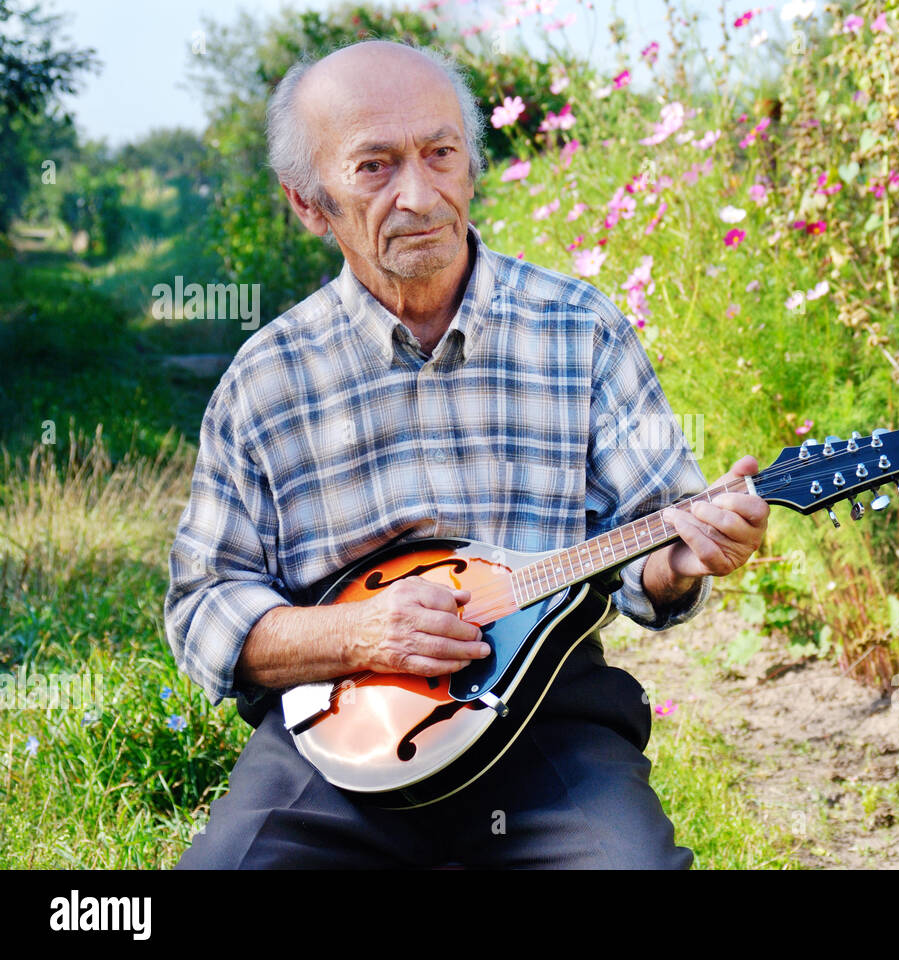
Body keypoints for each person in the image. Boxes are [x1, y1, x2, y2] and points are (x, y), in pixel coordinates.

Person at [164, 39, 769, 869]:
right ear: (309, 204)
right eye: (374, 168)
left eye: (441, 153)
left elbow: (653, 548)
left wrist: (690, 557)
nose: (420, 195)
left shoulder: (580, 330)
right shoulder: (266, 379)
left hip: (547, 715)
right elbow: (203, 607)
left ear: (471, 166)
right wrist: (359, 635)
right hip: (342, 730)